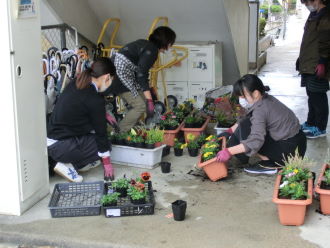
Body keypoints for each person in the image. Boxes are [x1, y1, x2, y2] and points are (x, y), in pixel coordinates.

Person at [216, 74, 307, 175]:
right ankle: (245, 156)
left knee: (249, 133)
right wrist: (229, 132)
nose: (241, 99)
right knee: (245, 125)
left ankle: (270, 164)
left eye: (243, 96)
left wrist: (228, 151)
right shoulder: (265, 99)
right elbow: (247, 119)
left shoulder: (261, 109)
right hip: (297, 143)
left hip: (289, 151)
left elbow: (255, 141)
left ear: (255, 93)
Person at [47, 58, 116, 182]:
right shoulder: (95, 100)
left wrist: (103, 115)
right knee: (105, 145)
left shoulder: (77, 82)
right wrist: (107, 163)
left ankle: (69, 161)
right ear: (106, 77)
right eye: (111, 80)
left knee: (91, 135)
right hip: (60, 148)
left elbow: (79, 108)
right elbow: (101, 134)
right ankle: (67, 165)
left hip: (50, 140)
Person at [107, 26, 176, 132]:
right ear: (165, 41)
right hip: (119, 77)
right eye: (171, 43)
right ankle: (118, 132)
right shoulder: (152, 50)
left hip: (117, 74)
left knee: (142, 101)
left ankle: (132, 128)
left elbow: (140, 72)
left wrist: (148, 96)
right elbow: (141, 74)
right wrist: (149, 100)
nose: (171, 46)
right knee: (141, 106)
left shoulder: (144, 44)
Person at [298, 0, 330, 138]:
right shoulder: (314, 15)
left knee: (318, 96)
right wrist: (301, 59)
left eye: (307, 2)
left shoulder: (326, 16)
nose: (306, 5)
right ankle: (311, 122)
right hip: (308, 63)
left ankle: (320, 128)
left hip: (317, 64)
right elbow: (308, 40)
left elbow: (326, 42)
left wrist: (322, 62)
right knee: (311, 95)